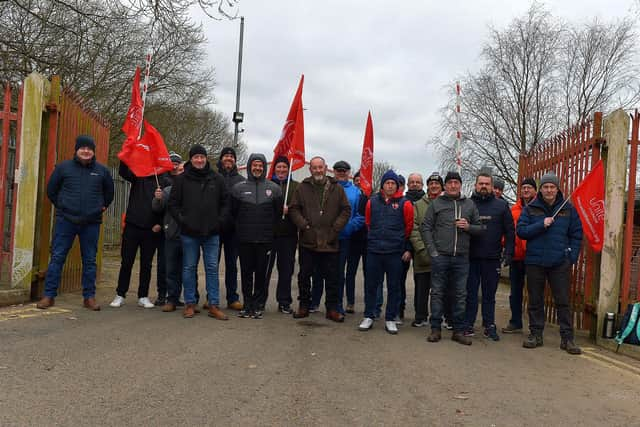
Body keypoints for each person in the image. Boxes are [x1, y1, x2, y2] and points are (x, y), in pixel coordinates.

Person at [37, 135, 114, 311]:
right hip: (66, 221)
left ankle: (89, 297)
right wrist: (63, 207)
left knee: (89, 260)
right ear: (77, 150)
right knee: (57, 257)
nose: (86, 151)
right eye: (82, 148)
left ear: (93, 151)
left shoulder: (102, 171)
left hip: (91, 223)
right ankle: (48, 295)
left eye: (89, 148)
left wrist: (100, 208)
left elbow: (109, 194)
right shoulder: (63, 168)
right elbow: (51, 190)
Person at [516, 171, 583, 354]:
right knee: (535, 301)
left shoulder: (567, 209)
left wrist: (571, 256)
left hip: (559, 263)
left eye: (552, 187)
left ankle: (567, 339)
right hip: (535, 262)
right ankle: (535, 335)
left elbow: (577, 234)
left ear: (557, 188)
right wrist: (541, 224)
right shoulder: (530, 208)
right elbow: (521, 231)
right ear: (541, 189)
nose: (549, 190)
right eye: (545, 187)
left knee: (563, 302)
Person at [169, 144, 230, 320]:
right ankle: (190, 303)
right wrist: (183, 221)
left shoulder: (216, 179)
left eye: (202, 157)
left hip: (212, 233)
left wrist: (219, 222)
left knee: (212, 268)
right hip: (189, 233)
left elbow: (226, 203)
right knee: (188, 268)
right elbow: (173, 204)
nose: (199, 160)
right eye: (196, 157)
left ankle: (214, 305)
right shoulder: (181, 179)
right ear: (191, 159)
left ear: (206, 158)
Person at [421, 171, 482, 345]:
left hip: (461, 258)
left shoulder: (469, 205)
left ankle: (458, 330)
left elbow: (480, 228)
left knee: (460, 294)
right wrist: (432, 250)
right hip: (440, 256)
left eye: (456, 182)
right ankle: (435, 329)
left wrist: (469, 226)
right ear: (445, 186)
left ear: (460, 185)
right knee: (437, 293)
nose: (453, 185)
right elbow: (425, 227)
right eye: (450, 183)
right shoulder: (436, 203)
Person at [288, 156, 351, 322]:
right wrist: (304, 226)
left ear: (325, 168)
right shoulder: (303, 187)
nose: (317, 170)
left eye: (320, 167)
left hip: (330, 242)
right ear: (310, 170)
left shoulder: (337, 189)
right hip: (308, 241)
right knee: (304, 276)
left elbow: (345, 210)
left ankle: (331, 309)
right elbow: (294, 209)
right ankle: (304, 306)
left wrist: (335, 228)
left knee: (332, 278)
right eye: (314, 167)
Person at [358, 170, 413, 334]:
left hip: (395, 252)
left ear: (397, 186)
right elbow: (368, 223)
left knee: (394, 286)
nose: (390, 185)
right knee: (371, 285)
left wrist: (406, 248)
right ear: (382, 185)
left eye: (393, 183)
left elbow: (409, 227)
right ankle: (369, 316)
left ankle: (390, 318)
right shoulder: (372, 202)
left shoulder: (405, 203)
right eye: (387, 183)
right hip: (374, 251)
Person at [464, 171, 515, 341]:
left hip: (492, 258)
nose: (484, 186)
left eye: (487, 184)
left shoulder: (501, 206)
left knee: (489, 295)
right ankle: (468, 324)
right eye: (481, 183)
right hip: (470, 258)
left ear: (492, 187)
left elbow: (510, 231)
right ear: (475, 185)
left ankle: (489, 325)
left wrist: (508, 253)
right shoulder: (468, 204)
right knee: (470, 294)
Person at [231, 154, 282, 319]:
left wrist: (271, 235)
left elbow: (277, 214)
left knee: (261, 274)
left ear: (264, 168)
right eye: (255, 165)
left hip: (265, 241)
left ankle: (258, 304)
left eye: (260, 166)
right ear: (249, 167)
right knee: (246, 273)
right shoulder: (238, 188)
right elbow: (234, 213)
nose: (257, 168)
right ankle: (247, 305)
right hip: (245, 240)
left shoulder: (274, 189)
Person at [110, 157, 165, 309]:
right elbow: (123, 172)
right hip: (132, 225)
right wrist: (124, 155)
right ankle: (120, 294)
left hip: (151, 229)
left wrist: (159, 223)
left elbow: (167, 207)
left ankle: (143, 296)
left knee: (146, 264)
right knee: (126, 262)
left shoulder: (162, 180)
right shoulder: (138, 175)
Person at [152, 152, 199, 312]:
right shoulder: (166, 190)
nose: (180, 174)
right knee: (171, 269)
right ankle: (171, 299)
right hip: (171, 235)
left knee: (190, 269)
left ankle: (191, 300)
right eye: (177, 171)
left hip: (190, 235)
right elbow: (157, 208)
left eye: (182, 171)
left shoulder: (195, 189)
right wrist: (157, 198)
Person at [263, 156, 298, 314]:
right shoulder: (266, 185)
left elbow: (300, 207)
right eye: (279, 168)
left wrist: (289, 210)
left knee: (286, 270)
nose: (282, 170)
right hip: (269, 235)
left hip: (288, 235)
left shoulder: (296, 187)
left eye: (284, 167)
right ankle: (260, 299)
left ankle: (284, 301)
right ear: (274, 169)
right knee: (264, 269)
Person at [502, 177, 537, 333]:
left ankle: (535, 325)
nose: (526, 190)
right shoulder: (513, 210)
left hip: (534, 257)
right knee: (515, 292)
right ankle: (515, 321)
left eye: (529, 187)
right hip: (516, 257)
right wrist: (505, 244)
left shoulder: (540, 208)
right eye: (523, 188)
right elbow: (507, 230)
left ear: (535, 190)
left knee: (534, 292)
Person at [332, 160, 365, 315]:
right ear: (334, 172)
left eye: (344, 170)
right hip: (330, 237)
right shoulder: (328, 188)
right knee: (334, 273)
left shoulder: (356, 192)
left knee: (346, 273)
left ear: (348, 172)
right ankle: (333, 303)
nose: (341, 172)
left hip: (348, 237)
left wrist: (348, 228)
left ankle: (344, 303)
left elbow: (360, 216)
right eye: (338, 170)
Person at [216, 146, 244, 310]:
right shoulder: (213, 177)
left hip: (233, 231)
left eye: (231, 156)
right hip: (214, 230)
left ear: (235, 160)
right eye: (226, 156)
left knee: (232, 266)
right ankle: (211, 297)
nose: (229, 158)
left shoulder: (241, 180)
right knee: (212, 265)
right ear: (221, 159)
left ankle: (232, 298)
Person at [407, 173, 435, 327]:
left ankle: (439, 316)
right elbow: (413, 228)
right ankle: (420, 316)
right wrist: (421, 250)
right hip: (421, 253)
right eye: (412, 182)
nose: (415, 184)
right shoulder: (417, 205)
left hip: (440, 255)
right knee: (421, 288)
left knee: (439, 289)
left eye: (418, 182)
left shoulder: (447, 203)